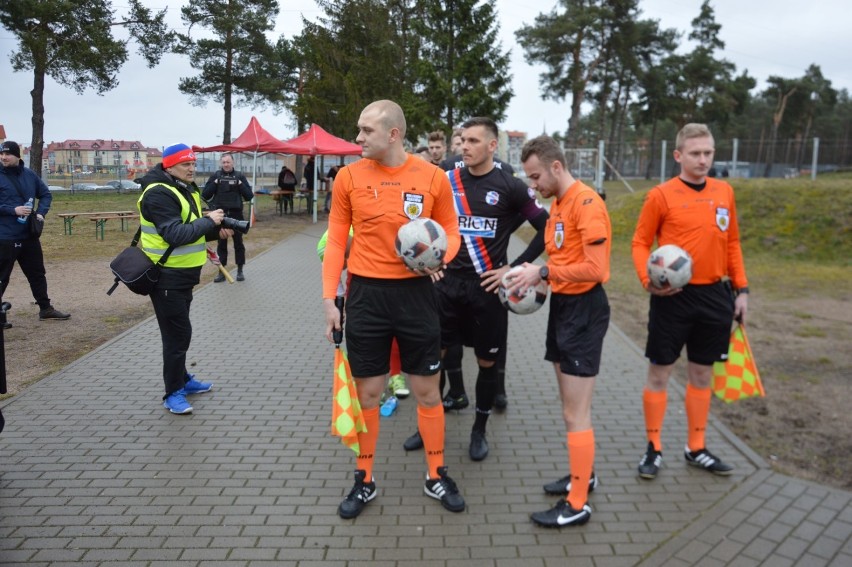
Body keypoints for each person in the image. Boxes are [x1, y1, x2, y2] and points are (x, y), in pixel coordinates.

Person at [322, 99, 465, 519]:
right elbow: (334, 240)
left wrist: (441, 256)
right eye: (358, 130)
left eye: (366, 130)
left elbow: (451, 230)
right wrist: (329, 298)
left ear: (393, 134)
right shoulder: (348, 177)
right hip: (366, 296)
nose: (358, 137)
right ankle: (364, 480)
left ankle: (436, 473)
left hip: (416, 295)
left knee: (426, 390)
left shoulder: (433, 178)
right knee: (368, 391)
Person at [401, 117, 548, 461]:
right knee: (432, 360)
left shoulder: (511, 187)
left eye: (473, 141)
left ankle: (479, 431)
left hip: (486, 289)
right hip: (445, 286)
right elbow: (418, 225)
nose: (464, 147)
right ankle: (428, 427)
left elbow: (548, 227)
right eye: (462, 140)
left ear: (492, 146)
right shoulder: (445, 180)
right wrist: (428, 265)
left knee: (485, 362)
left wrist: (515, 266)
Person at [632, 123, 749, 480]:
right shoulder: (660, 195)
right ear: (679, 155)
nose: (703, 160)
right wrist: (647, 280)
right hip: (673, 297)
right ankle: (653, 448)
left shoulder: (724, 192)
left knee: (701, 373)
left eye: (708, 153)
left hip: (715, 296)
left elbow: (732, 244)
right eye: (695, 153)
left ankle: (696, 447)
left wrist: (741, 289)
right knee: (660, 373)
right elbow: (640, 243)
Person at [506, 134, 611, 527]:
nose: (533, 186)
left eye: (535, 178)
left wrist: (543, 271)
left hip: (585, 311)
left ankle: (578, 503)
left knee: (575, 411)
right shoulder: (560, 205)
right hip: (564, 308)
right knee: (569, 407)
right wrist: (535, 282)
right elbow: (563, 259)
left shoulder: (587, 204)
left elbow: (596, 269)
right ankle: (584, 474)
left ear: (555, 166)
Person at [138, 143, 233, 415]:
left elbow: (190, 229)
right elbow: (175, 235)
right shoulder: (158, 193)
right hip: (166, 277)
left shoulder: (182, 187)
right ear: (169, 166)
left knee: (179, 334)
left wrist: (216, 232)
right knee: (177, 337)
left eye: (193, 163)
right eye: (185, 164)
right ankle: (172, 393)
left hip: (183, 276)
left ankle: (183, 380)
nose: (191, 168)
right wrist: (210, 221)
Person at [0, 140, 71, 328]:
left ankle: (45, 309)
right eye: (2, 154)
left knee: (37, 273)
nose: (4, 157)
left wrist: (41, 213)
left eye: (8, 154)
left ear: (17, 155)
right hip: (6, 236)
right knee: (2, 276)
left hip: (29, 235)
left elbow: (46, 194)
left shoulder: (29, 175)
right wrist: (12, 210)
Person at [202, 154, 253, 282]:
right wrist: (215, 183)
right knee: (221, 244)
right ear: (221, 163)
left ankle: (240, 270)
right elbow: (205, 195)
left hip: (236, 214)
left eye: (228, 162)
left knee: (238, 244)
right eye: (224, 162)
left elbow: (249, 196)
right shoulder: (216, 176)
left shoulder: (239, 176)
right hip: (220, 215)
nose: (226, 164)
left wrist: (240, 184)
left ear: (233, 163)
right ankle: (221, 272)